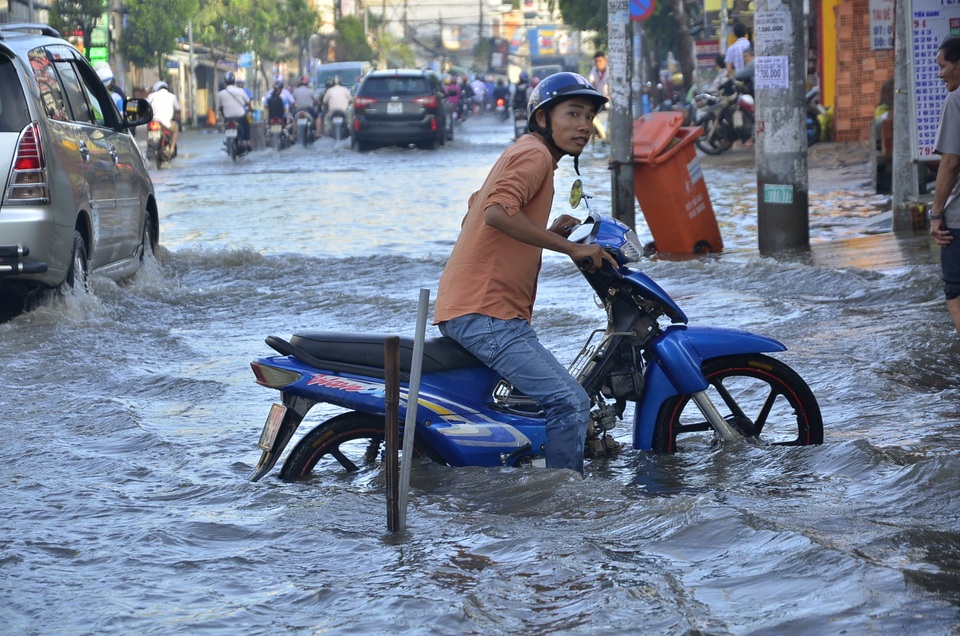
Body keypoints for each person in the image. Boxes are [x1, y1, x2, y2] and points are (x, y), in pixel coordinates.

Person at [432, 72, 618, 475]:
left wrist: (550, 234)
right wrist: (571, 247)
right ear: (542, 119)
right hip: (486, 315)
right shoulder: (534, 155)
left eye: (588, 116)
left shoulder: (526, 152)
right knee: (569, 402)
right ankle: (563, 499)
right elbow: (496, 213)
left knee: (536, 402)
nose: (584, 126)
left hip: (474, 308)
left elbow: (478, 215)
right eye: (573, 114)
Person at [929, 36, 960, 335]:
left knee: (956, 292)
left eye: (943, 66)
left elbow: (950, 162)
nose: (940, 74)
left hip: (959, 220)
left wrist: (936, 214)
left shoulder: (956, 99)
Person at [217, 71, 252, 152]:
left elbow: (219, 108)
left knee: (226, 126)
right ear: (234, 81)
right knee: (247, 126)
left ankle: (228, 141)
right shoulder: (240, 91)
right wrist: (250, 109)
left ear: (225, 81)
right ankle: (248, 142)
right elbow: (248, 102)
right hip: (240, 116)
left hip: (228, 118)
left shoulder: (220, 94)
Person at [146, 80, 179, 156]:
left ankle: (149, 148)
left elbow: (144, 104)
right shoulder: (172, 96)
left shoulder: (151, 96)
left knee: (149, 133)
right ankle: (172, 148)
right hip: (167, 123)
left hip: (153, 122)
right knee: (176, 129)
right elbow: (178, 109)